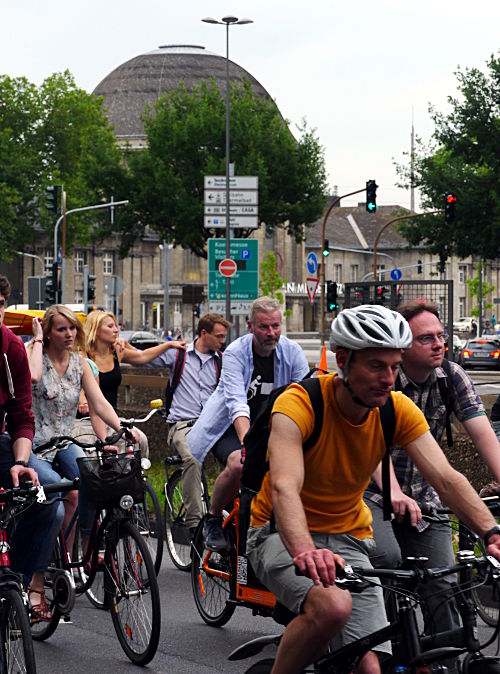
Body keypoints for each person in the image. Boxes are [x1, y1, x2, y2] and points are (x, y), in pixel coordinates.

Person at [245, 304, 500, 674]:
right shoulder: (301, 403)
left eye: (395, 367)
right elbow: (285, 486)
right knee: (333, 607)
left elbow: (446, 479)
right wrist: (305, 550)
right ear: (344, 361)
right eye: (377, 366)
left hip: (349, 537)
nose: (388, 378)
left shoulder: (396, 409)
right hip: (280, 533)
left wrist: (490, 532)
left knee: (373, 666)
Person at [364, 300, 500, 673]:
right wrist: (393, 492)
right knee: (386, 561)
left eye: (441, 336)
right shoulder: (383, 380)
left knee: (444, 583)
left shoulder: (451, 377)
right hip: (372, 493)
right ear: (403, 346)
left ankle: (448, 666)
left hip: (424, 496)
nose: (439, 344)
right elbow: (368, 446)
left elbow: (486, 438)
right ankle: (388, 652)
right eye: (427, 339)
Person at [26, 305, 138, 616]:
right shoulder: (33, 352)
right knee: (55, 499)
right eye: (62, 329)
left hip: (64, 441)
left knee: (91, 479)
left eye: (73, 328)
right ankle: (37, 580)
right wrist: (36, 341)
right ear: (48, 332)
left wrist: (121, 428)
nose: (70, 334)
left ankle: (78, 551)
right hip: (33, 445)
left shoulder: (79, 364)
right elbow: (31, 378)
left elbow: (99, 401)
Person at [188, 296, 309, 553]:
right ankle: (212, 517)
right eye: (264, 327)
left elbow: (304, 397)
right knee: (240, 464)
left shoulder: (293, 353)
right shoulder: (235, 353)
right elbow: (236, 403)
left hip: (270, 427)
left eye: (276, 326)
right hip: (230, 427)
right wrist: (247, 443)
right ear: (250, 325)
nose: (271, 333)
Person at [0, 276, 64, 622]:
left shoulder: (11, 348)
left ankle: (14, 586)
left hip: (3, 444)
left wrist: (22, 461)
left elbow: (22, 415)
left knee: (47, 499)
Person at [146, 312, 231, 536]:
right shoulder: (179, 356)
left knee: (238, 461)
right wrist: (166, 346)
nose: (223, 342)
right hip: (183, 424)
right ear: (204, 333)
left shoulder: (222, 360)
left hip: (212, 425)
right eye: (219, 337)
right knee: (193, 458)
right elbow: (141, 359)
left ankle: (231, 514)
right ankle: (196, 526)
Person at [82, 310, 185, 454]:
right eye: (110, 326)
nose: (116, 330)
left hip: (112, 417)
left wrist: (167, 345)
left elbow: (142, 357)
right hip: (85, 418)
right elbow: (80, 386)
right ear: (96, 331)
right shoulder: (83, 356)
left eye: (116, 326)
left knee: (140, 441)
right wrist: (83, 402)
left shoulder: (117, 351)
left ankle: (138, 474)